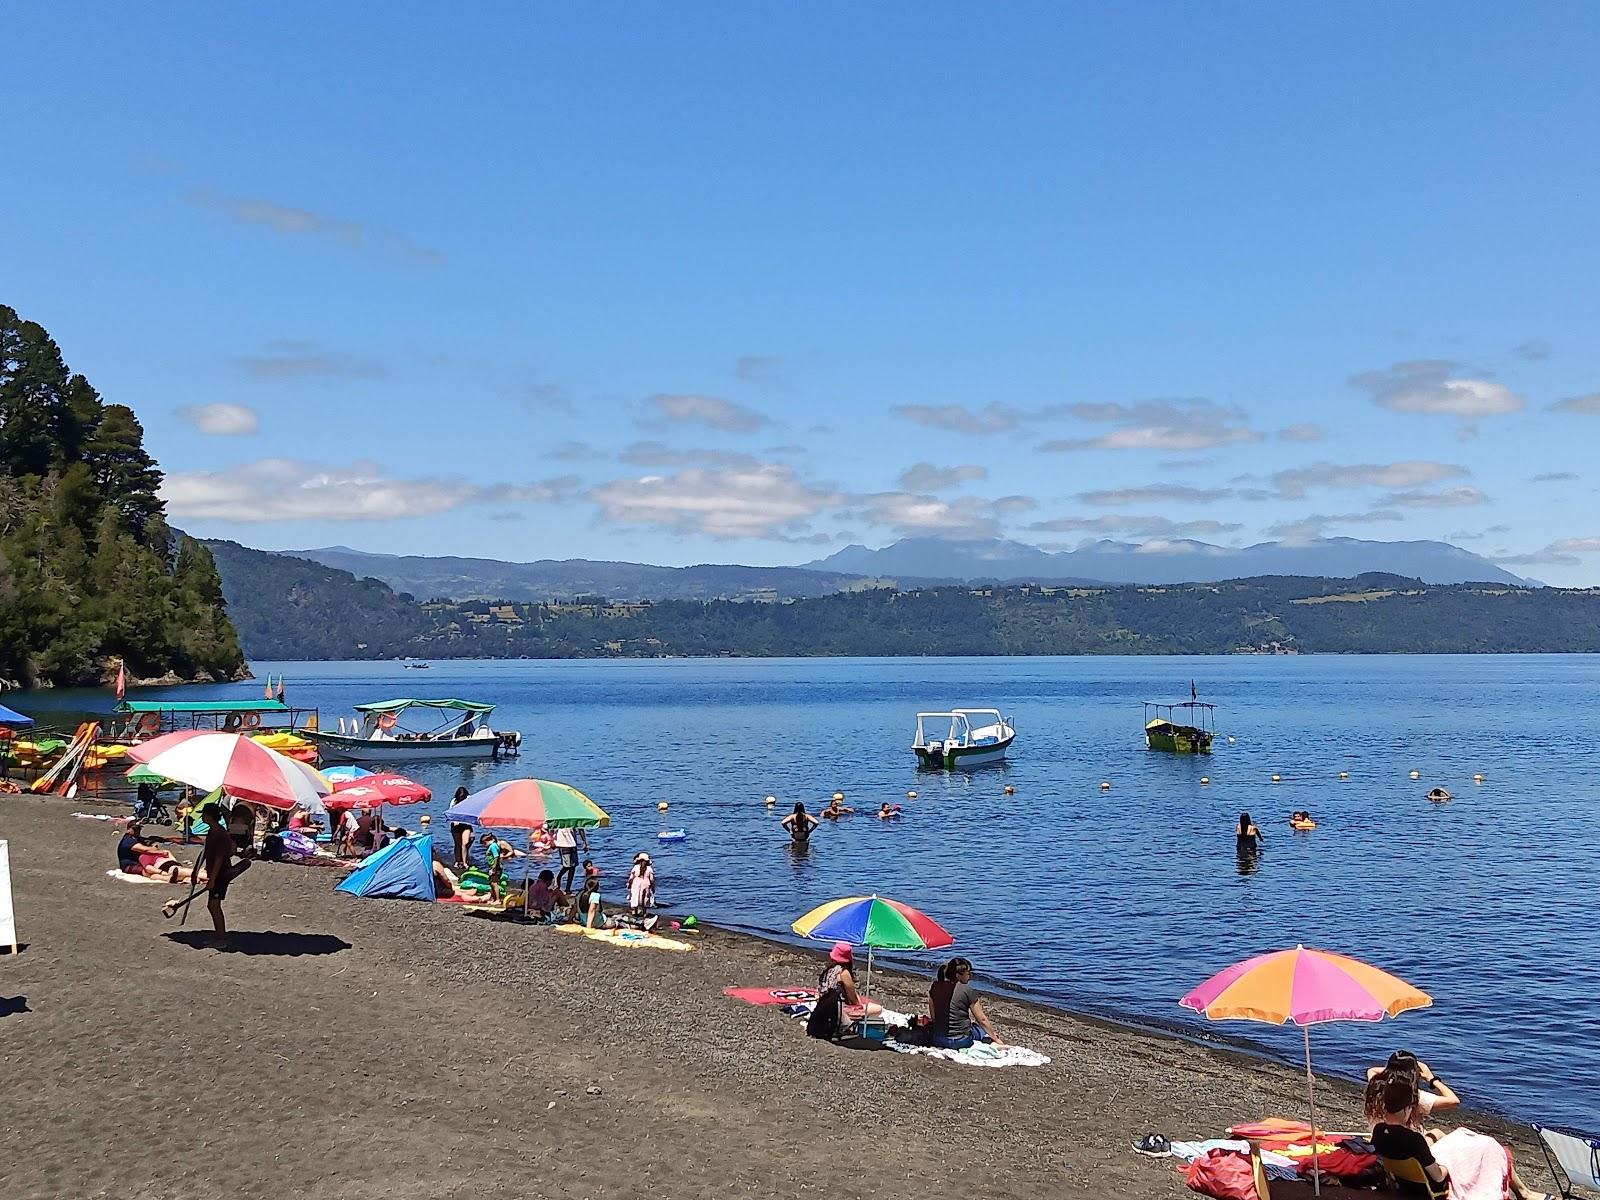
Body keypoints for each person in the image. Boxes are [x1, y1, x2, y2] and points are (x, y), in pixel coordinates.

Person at [1369, 1069, 1550, 1200]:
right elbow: (1439, 1176)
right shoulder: (1413, 1139)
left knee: (1459, 1139)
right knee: (1484, 1146)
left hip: (1405, 1182)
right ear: (1407, 1108)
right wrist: (1450, 1163)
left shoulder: (1379, 1131)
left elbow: (1372, 1072)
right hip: (1427, 1187)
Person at [927, 957, 1006, 1049]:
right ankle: (993, 1042)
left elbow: (934, 1016)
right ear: (958, 975)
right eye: (968, 973)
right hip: (961, 1040)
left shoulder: (935, 987)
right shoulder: (967, 990)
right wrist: (996, 1039)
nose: (970, 976)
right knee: (980, 1030)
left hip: (939, 1039)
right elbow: (982, 1020)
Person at [818, 942, 882, 1020]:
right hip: (837, 1011)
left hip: (823, 1007)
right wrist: (860, 1005)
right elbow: (853, 999)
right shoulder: (843, 973)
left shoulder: (828, 970)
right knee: (878, 1009)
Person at [201, 802, 234, 950]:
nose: (202, 816)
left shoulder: (220, 834)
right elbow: (206, 852)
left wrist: (212, 879)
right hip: (213, 872)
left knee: (214, 905)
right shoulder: (212, 832)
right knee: (212, 905)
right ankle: (218, 935)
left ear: (209, 816)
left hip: (220, 873)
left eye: (203, 814)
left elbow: (220, 858)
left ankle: (221, 938)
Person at [116, 820, 195, 883]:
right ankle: (166, 877)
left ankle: (174, 868)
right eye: (136, 829)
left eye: (139, 829)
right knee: (147, 872)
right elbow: (145, 849)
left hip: (139, 861)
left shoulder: (136, 838)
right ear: (129, 829)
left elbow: (148, 841)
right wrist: (159, 852)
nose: (138, 831)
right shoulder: (128, 841)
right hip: (129, 865)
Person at [554, 823, 588, 892]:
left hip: (573, 843)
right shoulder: (559, 817)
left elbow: (580, 828)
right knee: (567, 866)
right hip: (562, 844)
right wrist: (552, 840)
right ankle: (558, 878)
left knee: (573, 867)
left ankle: (568, 888)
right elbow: (552, 826)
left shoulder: (574, 815)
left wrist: (584, 842)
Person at [449, 790, 473, 869]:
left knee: (465, 843)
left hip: (466, 824)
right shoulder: (454, 801)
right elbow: (451, 813)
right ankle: (458, 861)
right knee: (458, 844)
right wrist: (455, 820)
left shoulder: (469, 799)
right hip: (456, 824)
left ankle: (465, 862)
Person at [481, 831, 505, 903]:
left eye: (484, 844)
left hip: (496, 867)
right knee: (492, 883)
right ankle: (493, 898)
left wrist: (494, 867)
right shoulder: (492, 846)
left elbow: (496, 856)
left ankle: (497, 899)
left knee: (494, 883)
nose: (484, 846)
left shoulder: (493, 846)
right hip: (492, 867)